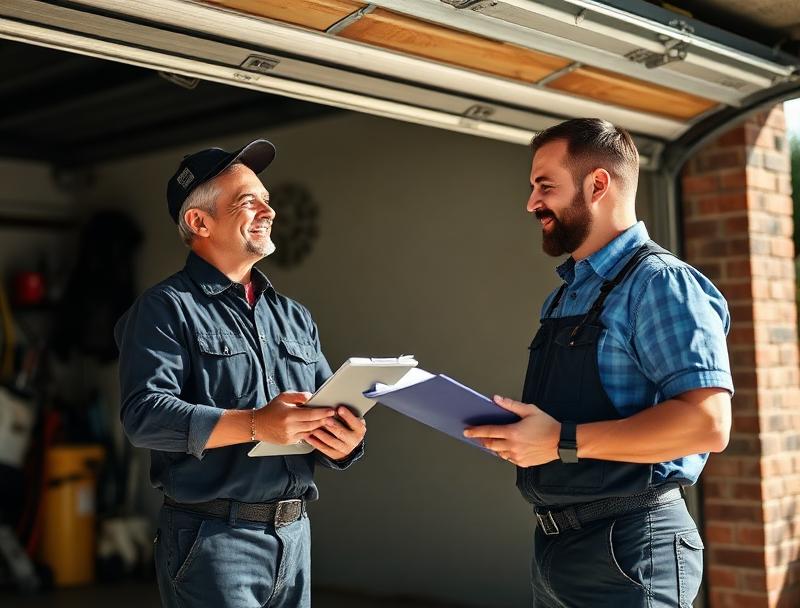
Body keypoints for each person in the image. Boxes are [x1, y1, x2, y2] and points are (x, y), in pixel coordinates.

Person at [464, 118, 732, 607]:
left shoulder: (661, 283)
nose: (531, 203)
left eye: (545, 186)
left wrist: (560, 440)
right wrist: (522, 437)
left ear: (597, 185)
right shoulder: (565, 294)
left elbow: (707, 424)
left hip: (633, 546)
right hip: (556, 547)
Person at [114, 139, 366, 608]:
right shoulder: (164, 309)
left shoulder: (295, 317)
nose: (269, 211)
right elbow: (144, 416)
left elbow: (323, 409)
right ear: (199, 222)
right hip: (211, 543)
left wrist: (345, 441)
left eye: (267, 200)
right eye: (249, 201)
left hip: (294, 539)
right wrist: (256, 424)